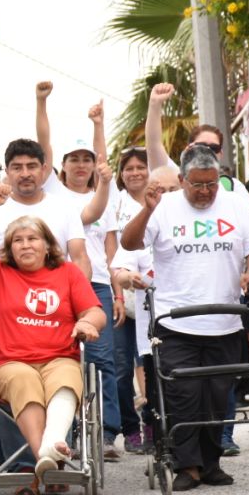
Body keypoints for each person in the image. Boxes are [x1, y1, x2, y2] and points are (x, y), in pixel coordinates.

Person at [0, 184, 105, 495]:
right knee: (23, 379)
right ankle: (47, 458)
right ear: (9, 248)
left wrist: (87, 322)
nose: (25, 245)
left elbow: (94, 311)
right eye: (17, 240)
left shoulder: (68, 273)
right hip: (10, 363)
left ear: (48, 245)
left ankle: (44, 459)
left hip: (59, 356)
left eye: (32, 238)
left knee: (65, 374)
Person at [121, 145, 249, 491]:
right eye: (197, 185)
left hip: (224, 319)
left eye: (211, 184)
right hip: (175, 319)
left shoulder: (237, 205)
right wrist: (147, 212)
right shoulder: (163, 207)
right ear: (182, 180)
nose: (206, 191)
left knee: (216, 395)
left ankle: (210, 464)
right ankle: (188, 466)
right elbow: (130, 242)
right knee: (184, 395)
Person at [38, 89, 120, 458]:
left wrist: (98, 125)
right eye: (75, 160)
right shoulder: (52, 192)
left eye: (87, 159)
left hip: (97, 284)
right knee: (63, 360)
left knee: (102, 359)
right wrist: (41, 103)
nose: (82, 165)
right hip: (57, 284)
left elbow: (108, 245)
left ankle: (105, 433)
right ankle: (64, 436)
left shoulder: (102, 193)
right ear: (64, 166)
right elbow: (43, 146)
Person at [0, 136, 90, 278]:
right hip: (5, 296)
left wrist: (81, 296)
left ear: (44, 169)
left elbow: (80, 258)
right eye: (17, 168)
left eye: (32, 166)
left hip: (57, 296)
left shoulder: (66, 209)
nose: (25, 174)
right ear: (7, 171)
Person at [110, 147, 151, 453]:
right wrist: (117, 294)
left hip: (155, 301)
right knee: (121, 368)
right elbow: (112, 255)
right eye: (129, 168)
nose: (135, 172)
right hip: (122, 295)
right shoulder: (114, 203)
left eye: (141, 167)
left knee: (151, 366)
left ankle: (152, 425)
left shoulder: (163, 201)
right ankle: (129, 427)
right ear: (121, 174)